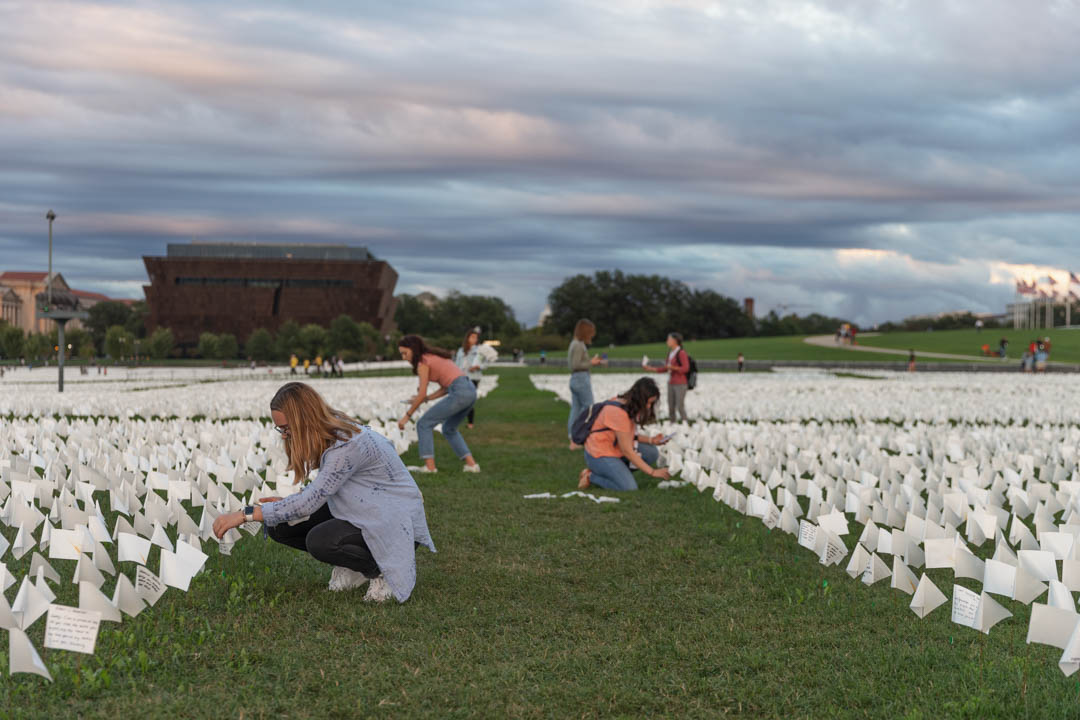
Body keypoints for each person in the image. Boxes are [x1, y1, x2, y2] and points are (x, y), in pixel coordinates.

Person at [211, 382, 435, 602]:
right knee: (280, 525)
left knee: (321, 540)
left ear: (303, 421)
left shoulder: (347, 445)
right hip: (368, 509)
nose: (284, 436)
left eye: (286, 429)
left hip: (395, 521)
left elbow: (308, 503)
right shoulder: (334, 433)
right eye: (280, 429)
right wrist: (280, 508)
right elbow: (318, 493)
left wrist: (245, 514)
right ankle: (352, 565)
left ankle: (381, 571)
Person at [397, 335, 480, 473]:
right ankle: (471, 465)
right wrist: (425, 398)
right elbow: (446, 387)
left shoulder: (423, 362)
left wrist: (407, 416)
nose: (404, 357)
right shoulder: (433, 356)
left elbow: (422, 393)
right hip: (470, 390)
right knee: (449, 428)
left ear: (413, 349)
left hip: (459, 391)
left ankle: (430, 467)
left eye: (405, 353)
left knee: (423, 424)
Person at [578, 377, 671, 491]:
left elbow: (626, 435)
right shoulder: (618, 413)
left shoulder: (626, 405)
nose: (648, 407)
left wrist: (652, 440)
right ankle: (591, 476)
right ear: (640, 398)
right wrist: (652, 472)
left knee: (651, 452)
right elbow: (627, 450)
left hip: (613, 448)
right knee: (629, 487)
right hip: (599, 454)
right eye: (648, 402)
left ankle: (618, 473)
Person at [567, 319, 605, 450]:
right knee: (588, 409)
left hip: (576, 379)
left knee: (576, 409)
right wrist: (591, 363)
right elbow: (575, 365)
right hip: (581, 379)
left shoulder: (575, 343)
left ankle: (573, 437)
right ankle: (579, 437)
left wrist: (590, 361)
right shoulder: (578, 345)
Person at [647, 332, 690, 422]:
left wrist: (672, 367)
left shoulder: (681, 353)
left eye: (669, 339)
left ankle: (685, 424)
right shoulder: (670, 353)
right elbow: (665, 368)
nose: (667, 341)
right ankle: (672, 424)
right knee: (671, 405)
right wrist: (651, 369)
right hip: (671, 382)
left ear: (675, 341)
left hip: (680, 383)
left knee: (680, 405)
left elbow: (686, 368)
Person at [454, 327, 487, 430]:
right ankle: (457, 420)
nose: (474, 339)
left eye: (476, 337)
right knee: (461, 400)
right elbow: (457, 364)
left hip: (473, 377)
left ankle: (470, 423)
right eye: (472, 337)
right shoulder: (460, 350)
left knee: (469, 400)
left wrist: (477, 367)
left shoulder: (479, 351)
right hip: (461, 377)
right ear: (467, 338)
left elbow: (484, 364)